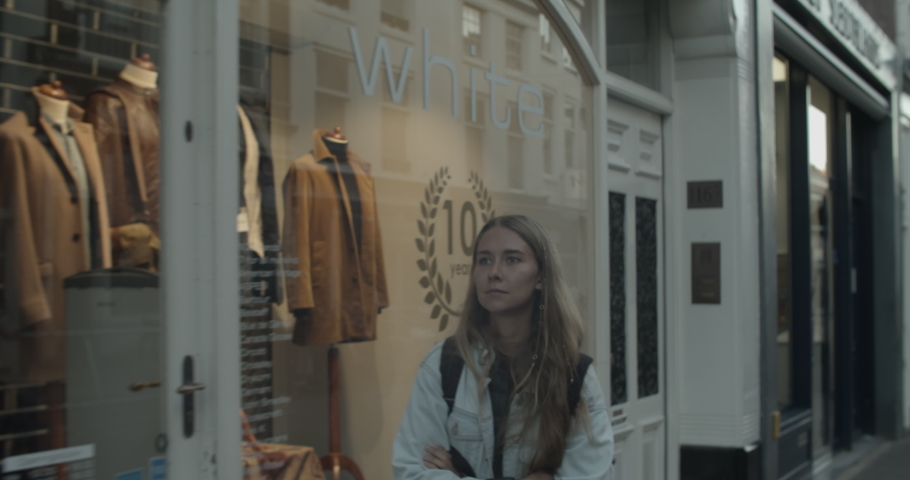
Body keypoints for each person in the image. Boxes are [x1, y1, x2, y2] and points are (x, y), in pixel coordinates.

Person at [392, 215, 614, 479]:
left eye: (512, 259)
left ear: (541, 277)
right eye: (484, 260)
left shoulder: (575, 376)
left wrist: (458, 475)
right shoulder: (445, 364)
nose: (494, 273)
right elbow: (411, 471)